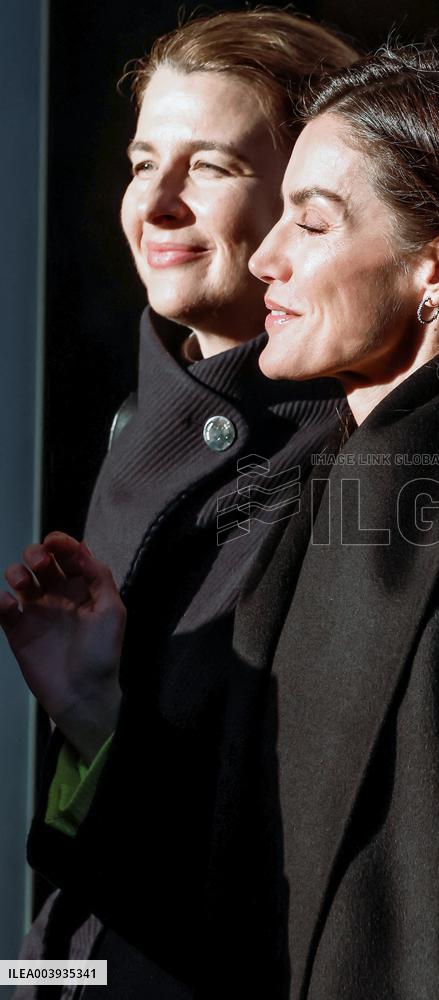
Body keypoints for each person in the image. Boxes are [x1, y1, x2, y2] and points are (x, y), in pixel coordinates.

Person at [4, 43, 439, 999]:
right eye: (140, 162)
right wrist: (93, 711)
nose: (270, 254)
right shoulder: (321, 508)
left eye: (309, 222)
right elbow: (226, 906)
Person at [6, 9, 358, 999]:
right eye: (141, 161)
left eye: (209, 167)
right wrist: (85, 710)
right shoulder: (144, 424)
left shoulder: (357, 471)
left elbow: (276, 856)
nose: (154, 203)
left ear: (312, 206)